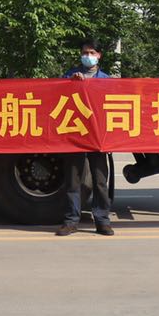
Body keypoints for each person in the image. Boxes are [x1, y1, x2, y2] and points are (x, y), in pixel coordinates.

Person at [56, 39, 114, 237]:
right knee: (73, 181)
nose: (87, 56)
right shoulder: (70, 75)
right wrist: (71, 84)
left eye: (91, 53)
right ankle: (71, 221)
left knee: (100, 181)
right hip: (75, 135)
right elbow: (58, 98)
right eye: (84, 53)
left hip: (98, 138)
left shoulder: (106, 80)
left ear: (99, 55)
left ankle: (102, 221)